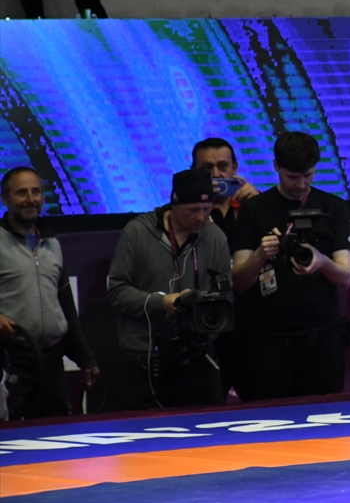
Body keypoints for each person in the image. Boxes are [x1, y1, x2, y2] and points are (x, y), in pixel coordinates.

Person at [231, 132, 350, 401]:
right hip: (268, 338)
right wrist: (260, 255)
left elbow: (346, 277)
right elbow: (239, 281)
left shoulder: (333, 207)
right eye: (292, 177)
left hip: (322, 335)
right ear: (276, 166)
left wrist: (322, 262)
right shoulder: (254, 210)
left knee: (325, 414)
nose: (300, 184)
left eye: (308, 175)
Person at [107, 169, 228, 410]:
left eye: (207, 209)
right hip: (146, 356)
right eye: (193, 210)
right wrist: (161, 302)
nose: (201, 217)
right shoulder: (138, 233)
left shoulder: (215, 237)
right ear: (174, 204)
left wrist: (204, 305)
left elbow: (227, 295)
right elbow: (117, 291)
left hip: (198, 356)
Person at [0, 166, 98, 420]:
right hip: (11, 361)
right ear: (5, 199)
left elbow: (65, 306)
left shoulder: (52, 243)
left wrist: (85, 358)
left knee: (56, 432)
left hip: (51, 362)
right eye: (21, 193)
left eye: (36, 192)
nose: (30, 199)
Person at [191, 137, 258, 399]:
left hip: (251, 324)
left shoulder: (255, 206)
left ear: (235, 169)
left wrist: (260, 206)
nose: (216, 175)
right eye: (207, 168)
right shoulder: (186, 213)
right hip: (206, 325)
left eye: (222, 166)